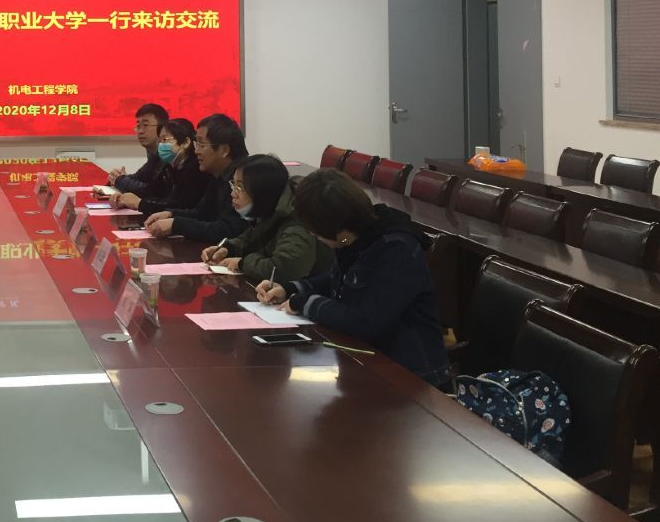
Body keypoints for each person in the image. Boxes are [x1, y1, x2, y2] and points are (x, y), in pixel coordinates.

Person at [256, 169, 451, 390]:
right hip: (364, 359)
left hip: (411, 377)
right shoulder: (356, 236)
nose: (313, 235)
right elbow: (337, 279)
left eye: (315, 230)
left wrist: (305, 303)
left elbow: (365, 321)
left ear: (336, 228)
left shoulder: (397, 249)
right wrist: (291, 289)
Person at [200, 154, 333, 285]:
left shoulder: (297, 221)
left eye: (240, 187)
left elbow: (284, 270)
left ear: (262, 191)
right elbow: (254, 236)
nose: (233, 193)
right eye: (233, 184)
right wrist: (229, 248)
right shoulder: (271, 207)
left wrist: (242, 264)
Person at [144, 113, 249, 243]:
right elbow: (201, 213)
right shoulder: (219, 175)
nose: (196, 151)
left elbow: (228, 230)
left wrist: (176, 225)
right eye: (196, 144)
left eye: (201, 145)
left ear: (224, 150)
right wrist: (170, 214)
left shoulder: (245, 179)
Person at [117, 118, 207, 217]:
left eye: (165, 139)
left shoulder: (196, 168)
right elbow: (152, 191)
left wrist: (140, 203)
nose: (161, 145)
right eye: (160, 141)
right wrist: (123, 197)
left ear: (185, 142)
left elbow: (180, 205)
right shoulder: (169, 166)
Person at [107, 103, 170, 199]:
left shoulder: (168, 154)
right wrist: (116, 178)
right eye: (138, 126)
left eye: (145, 125)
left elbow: (150, 191)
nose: (140, 131)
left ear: (162, 128)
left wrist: (120, 180)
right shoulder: (153, 155)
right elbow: (139, 177)